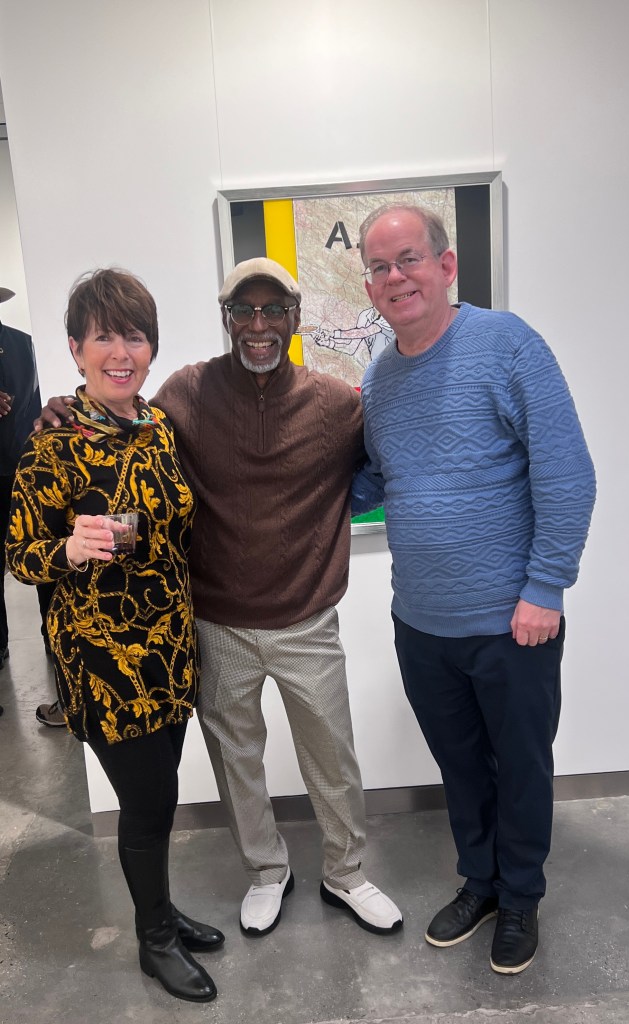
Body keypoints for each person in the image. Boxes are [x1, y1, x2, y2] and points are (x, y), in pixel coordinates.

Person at [39, 258, 403, 940]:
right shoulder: (186, 393)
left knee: (332, 756)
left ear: (295, 319)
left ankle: (347, 872)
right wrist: (62, 403)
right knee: (238, 762)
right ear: (227, 319)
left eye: (273, 310)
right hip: (216, 622)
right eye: (244, 311)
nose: (259, 325)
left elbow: (382, 469)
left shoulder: (335, 403)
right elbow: (119, 414)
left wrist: (329, 514)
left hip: (306, 620)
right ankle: (266, 871)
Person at [352, 205, 596, 975]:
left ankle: (520, 897)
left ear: (446, 265)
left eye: (409, 258)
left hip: (513, 622)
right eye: (380, 267)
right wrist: (288, 486)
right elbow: (375, 481)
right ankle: (481, 882)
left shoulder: (507, 344)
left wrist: (546, 588)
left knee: (519, 767)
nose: (396, 277)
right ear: (369, 284)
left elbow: (568, 473)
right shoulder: (378, 378)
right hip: (422, 624)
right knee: (460, 768)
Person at [8, 269, 221, 1002]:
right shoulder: (52, 446)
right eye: (104, 337)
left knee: (159, 795)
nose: (121, 352)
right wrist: (66, 549)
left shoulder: (157, 426)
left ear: (151, 346)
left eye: (134, 336)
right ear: (76, 348)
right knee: (148, 802)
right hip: (103, 661)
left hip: (170, 648)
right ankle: (153, 940)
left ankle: (162, 910)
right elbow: (19, 554)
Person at [0, 287, 50, 715]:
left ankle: (54, 636)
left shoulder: (21, 343)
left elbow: (34, 400)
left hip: (22, 466)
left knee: (43, 554)